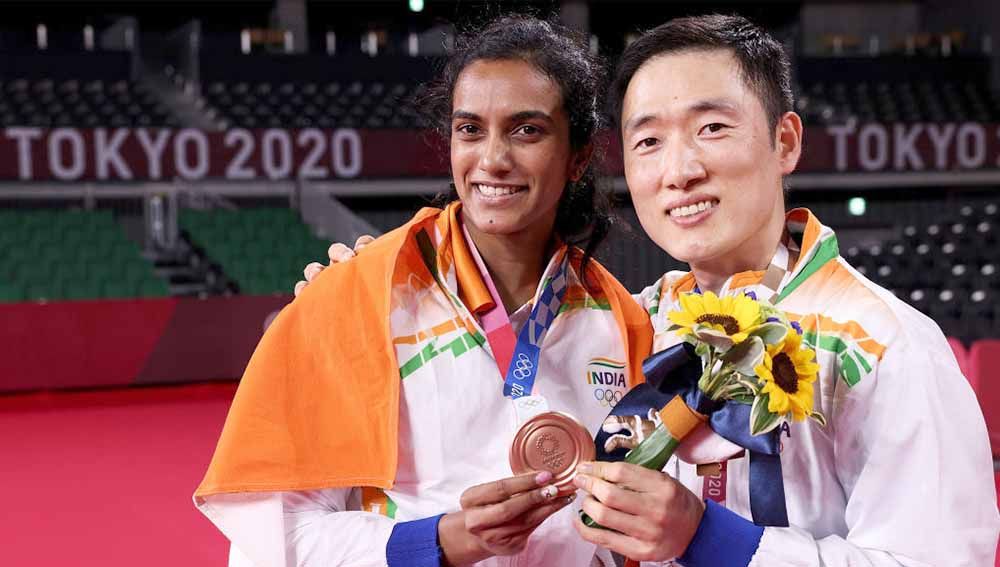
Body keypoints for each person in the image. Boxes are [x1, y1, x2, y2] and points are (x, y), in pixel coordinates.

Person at [304, 14, 998, 567]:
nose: (680, 169)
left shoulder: (887, 346)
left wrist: (709, 539)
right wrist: (380, 287)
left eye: (712, 128)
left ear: (785, 141)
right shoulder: (639, 321)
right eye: (648, 142)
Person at [194, 15, 652, 567]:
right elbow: (269, 540)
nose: (492, 159)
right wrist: (440, 541)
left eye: (526, 129)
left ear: (578, 156)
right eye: (470, 129)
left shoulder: (622, 322)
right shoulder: (359, 293)